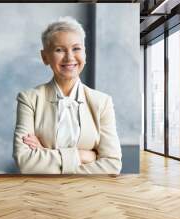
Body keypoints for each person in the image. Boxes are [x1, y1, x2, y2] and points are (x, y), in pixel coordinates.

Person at [13, 17, 122, 174]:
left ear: (85, 53)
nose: (69, 57)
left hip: (89, 192)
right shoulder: (29, 99)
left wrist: (45, 154)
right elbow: (25, 162)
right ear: (45, 57)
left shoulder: (102, 102)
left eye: (76, 49)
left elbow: (112, 165)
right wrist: (85, 156)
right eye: (59, 50)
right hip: (40, 192)